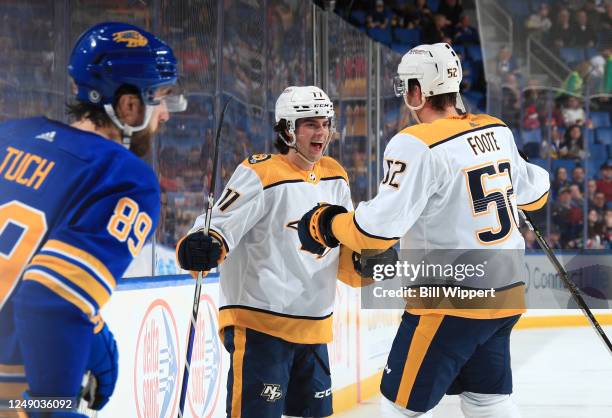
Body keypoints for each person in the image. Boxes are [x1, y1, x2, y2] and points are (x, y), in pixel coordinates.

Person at [298, 43, 550, 417]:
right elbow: (538, 193)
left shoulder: (415, 143)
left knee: (400, 406)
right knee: (488, 400)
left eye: (406, 88)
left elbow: (375, 231)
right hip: (506, 293)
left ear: (418, 92)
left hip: (450, 300)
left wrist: (326, 222)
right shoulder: (497, 130)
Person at [0, 22, 185, 417]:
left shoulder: (9, 135)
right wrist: (56, 405)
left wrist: (94, 333)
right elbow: (52, 295)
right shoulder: (124, 177)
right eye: (161, 98)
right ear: (130, 106)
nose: (165, 114)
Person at [176, 86, 378, 418]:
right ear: (287, 129)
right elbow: (219, 222)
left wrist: (365, 263)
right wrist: (203, 242)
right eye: (311, 124)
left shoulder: (335, 175)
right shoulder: (261, 173)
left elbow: (341, 250)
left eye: (325, 123)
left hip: (314, 329)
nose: (322, 132)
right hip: (262, 327)